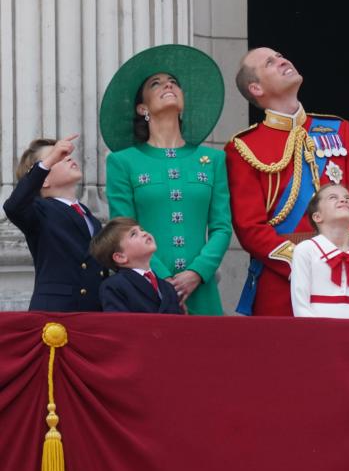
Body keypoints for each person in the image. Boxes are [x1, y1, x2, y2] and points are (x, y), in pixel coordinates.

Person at [226, 48, 349, 316]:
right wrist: (307, 263)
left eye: (281, 55)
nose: (283, 60)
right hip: (283, 279)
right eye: (270, 63)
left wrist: (348, 258)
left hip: (346, 275)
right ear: (256, 88)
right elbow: (249, 227)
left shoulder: (338, 130)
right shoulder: (243, 147)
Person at [101, 44, 232, 315]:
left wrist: (197, 272)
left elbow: (221, 227)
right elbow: (124, 227)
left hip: (202, 287)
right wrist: (164, 279)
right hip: (149, 287)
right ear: (141, 107)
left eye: (174, 82)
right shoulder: (123, 161)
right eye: (156, 83)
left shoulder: (212, 160)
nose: (168, 85)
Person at [3, 134, 106, 310]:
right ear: (44, 179)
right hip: (55, 313)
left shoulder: (90, 218)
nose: (68, 158)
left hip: (93, 312)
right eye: (58, 157)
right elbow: (13, 206)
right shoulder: (39, 211)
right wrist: (46, 163)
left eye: (66, 155)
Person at [290, 183, 349, 319]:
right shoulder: (305, 250)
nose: (343, 200)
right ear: (317, 217)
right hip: (318, 334)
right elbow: (300, 305)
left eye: (348, 198)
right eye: (332, 197)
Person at [92, 217, 182, 314]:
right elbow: (119, 325)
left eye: (142, 230)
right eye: (133, 234)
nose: (144, 233)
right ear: (120, 257)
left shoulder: (168, 287)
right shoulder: (114, 286)